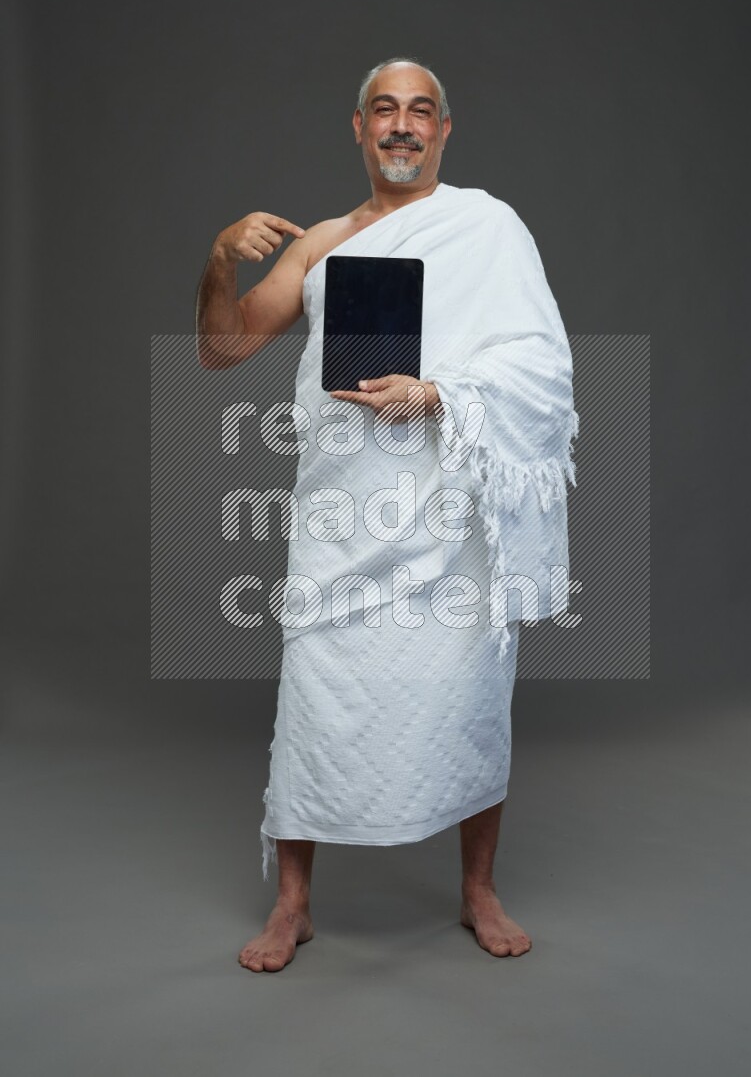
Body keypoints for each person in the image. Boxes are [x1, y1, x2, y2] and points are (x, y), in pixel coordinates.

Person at [195, 57, 578, 971]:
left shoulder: (488, 228)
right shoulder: (320, 241)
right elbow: (223, 348)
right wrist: (217, 258)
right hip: (341, 512)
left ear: (444, 130)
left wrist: (440, 393)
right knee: (318, 696)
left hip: (450, 512)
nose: (401, 126)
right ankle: (293, 905)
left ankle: (477, 890)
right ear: (358, 128)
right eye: (384, 110)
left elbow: (543, 367)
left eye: (420, 112)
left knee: (472, 697)